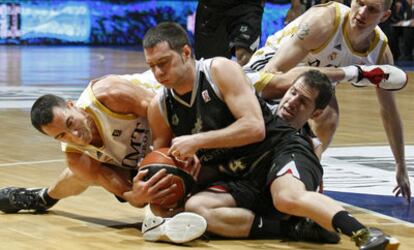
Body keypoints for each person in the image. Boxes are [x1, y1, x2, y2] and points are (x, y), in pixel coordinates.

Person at [141, 21, 400, 249]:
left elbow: (255, 128)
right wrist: (149, 189)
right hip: (241, 175)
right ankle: (295, 229)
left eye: (163, 63)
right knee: (196, 209)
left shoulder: (218, 70)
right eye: (151, 66)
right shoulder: (160, 105)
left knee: (286, 197)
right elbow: (162, 164)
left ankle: (363, 233)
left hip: (281, 149)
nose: (158, 73)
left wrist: (197, 141)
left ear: (186, 53)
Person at [0, 72, 207, 244]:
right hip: (145, 156)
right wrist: (137, 196)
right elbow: (127, 193)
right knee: (83, 172)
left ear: (72, 106)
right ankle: (43, 198)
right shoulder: (76, 157)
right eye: (62, 135)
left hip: (180, 118)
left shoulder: (109, 95)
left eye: (71, 123)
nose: (75, 136)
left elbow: (162, 111)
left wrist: (179, 148)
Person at [244, 0, 411, 202]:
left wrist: (400, 164)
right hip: (264, 75)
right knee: (285, 118)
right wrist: (348, 74)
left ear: (384, 16)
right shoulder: (324, 20)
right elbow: (272, 74)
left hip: (313, 85)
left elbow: (389, 111)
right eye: (360, 3)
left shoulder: (380, 52)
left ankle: (305, 175)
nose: (362, 12)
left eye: (373, 9)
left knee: (328, 118)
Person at [194, 0, 264, 65]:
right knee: (209, 64)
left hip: (247, 6)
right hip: (213, 7)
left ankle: (244, 77)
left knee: (243, 54)